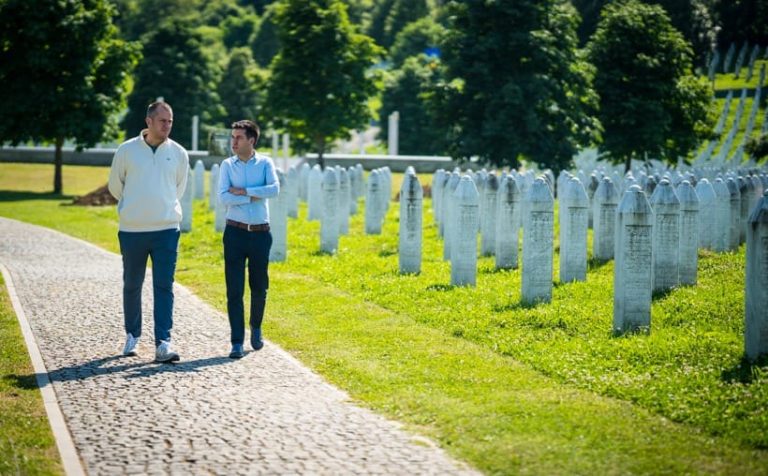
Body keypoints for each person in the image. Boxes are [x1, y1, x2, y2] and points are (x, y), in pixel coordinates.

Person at [108, 101, 189, 363]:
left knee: (164, 286)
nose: (167, 125)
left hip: (166, 229)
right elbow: (115, 186)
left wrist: (161, 208)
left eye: (170, 121)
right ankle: (132, 335)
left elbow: (178, 189)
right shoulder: (126, 151)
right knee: (132, 284)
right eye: (163, 121)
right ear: (149, 122)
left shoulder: (178, 153)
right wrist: (135, 206)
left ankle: (163, 342)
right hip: (132, 230)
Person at [218, 120, 279, 359]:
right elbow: (223, 197)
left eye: (239, 138)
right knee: (234, 289)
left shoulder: (265, 163)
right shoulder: (226, 165)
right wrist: (254, 195)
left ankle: (256, 326)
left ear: (251, 140)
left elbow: (274, 189)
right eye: (232, 137)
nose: (233, 142)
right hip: (234, 233)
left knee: (259, 286)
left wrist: (243, 191)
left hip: (261, 234)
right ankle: (236, 341)